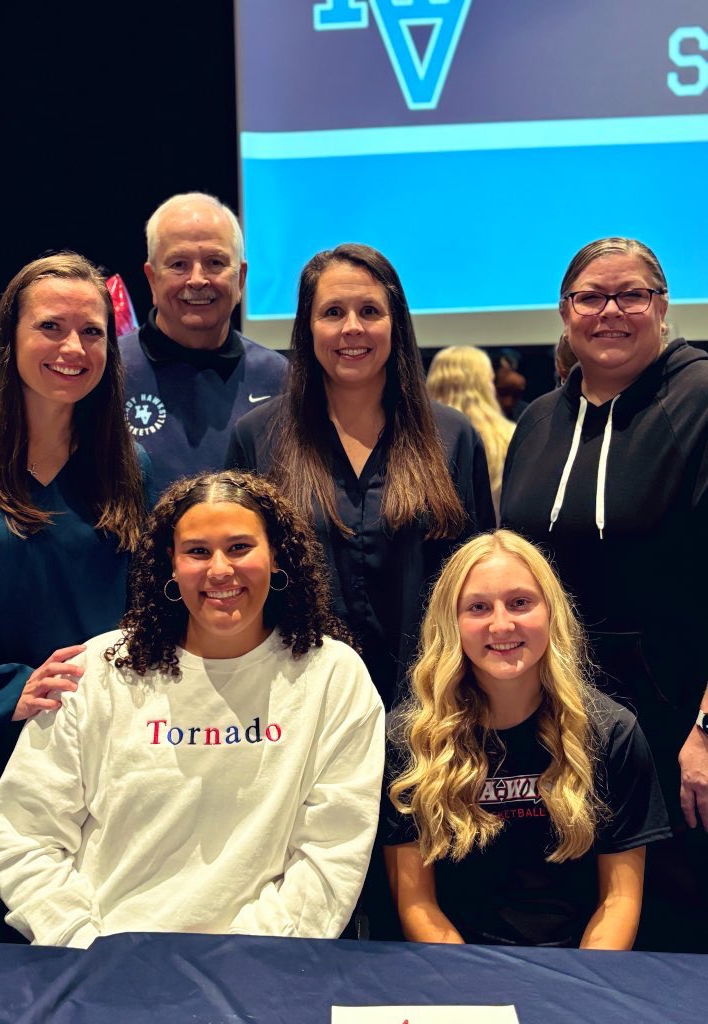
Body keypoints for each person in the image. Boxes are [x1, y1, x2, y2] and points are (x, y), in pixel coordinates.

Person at [0, 471, 385, 947]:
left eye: (239, 547)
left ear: (276, 555)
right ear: (170, 565)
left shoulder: (333, 676)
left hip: (261, 964)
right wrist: (85, 947)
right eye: (197, 551)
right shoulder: (98, 669)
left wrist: (252, 959)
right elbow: (23, 835)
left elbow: (332, 851)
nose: (220, 570)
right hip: (105, 959)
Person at [500, 236, 708, 952]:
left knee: (676, 941)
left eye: (632, 295)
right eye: (590, 297)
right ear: (565, 313)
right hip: (561, 729)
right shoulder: (538, 422)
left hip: (679, 731)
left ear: (663, 306)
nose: (610, 311)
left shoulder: (701, 400)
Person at [0, 252, 149, 940]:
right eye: (51, 327)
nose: (73, 348)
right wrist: (2, 690)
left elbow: (151, 612)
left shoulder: (130, 468)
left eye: (92, 332)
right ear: (10, 337)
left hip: (99, 772)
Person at [226, 243, 495, 711]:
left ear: (396, 323)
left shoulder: (452, 437)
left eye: (370, 311)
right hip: (296, 707)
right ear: (308, 327)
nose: (352, 327)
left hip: (430, 710)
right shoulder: (258, 438)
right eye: (333, 312)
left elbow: (479, 583)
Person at [384, 530, 670, 949]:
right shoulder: (409, 738)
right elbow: (416, 904)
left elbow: (619, 900)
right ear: (451, 623)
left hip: (579, 963)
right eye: (478, 607)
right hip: (455, 964)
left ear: (551, 611)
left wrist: (580, 983)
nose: (501, 624)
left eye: (520, 602)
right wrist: (469, 986)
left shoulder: (612, 732)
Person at [120, 192, 288, 494]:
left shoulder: (278, 377)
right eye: (179, 264)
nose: (197, 280)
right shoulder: (109, 371)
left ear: (241, 278)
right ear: (152, 279)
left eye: (215, 262)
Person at [426, 346, 515, 521]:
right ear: (485, 385)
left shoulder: (414, 439)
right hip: (498, 535)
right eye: (491, 381)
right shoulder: (508, 437)